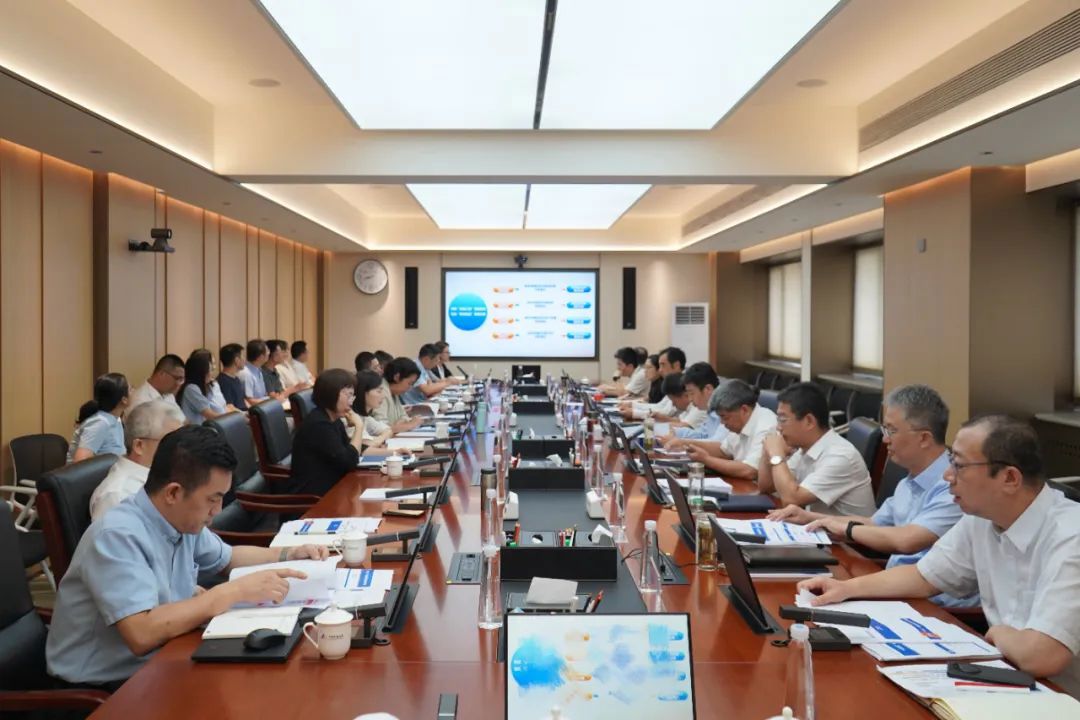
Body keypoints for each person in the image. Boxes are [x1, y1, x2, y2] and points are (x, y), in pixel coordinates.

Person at [799, 415, 1080, 695]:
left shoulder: (1071, 536)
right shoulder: (982, 519)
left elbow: (1042, 656)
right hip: (1006, 676)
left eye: (959, 465)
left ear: (1009, 478)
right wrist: (846, 588)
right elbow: (924, 576)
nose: (947, 476)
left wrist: (999, 633)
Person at [46, 425, 328, 689]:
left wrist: (289, 553)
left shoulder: (180, 519)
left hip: (163, 658)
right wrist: (232, 592)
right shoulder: (116, 535)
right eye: (212, 499)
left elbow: (228, 557)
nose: (218, 510)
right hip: (104, 689)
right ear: (173, 492)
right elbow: (141, 633)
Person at [770, 384, 973, 607]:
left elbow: (907, 540)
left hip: (931, 605)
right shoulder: (909, 481)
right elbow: (875, 524)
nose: (885, 439)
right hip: (895, 589)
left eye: (891, 431)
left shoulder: (953, 488)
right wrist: (812, 518)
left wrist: (846, 529)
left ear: (924, 438)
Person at [757, 382, 875, 517]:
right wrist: (767, 452)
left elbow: (791, 499)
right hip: (817, 526)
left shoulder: (840, 456)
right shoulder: (804, 448)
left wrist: (776, 455)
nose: (778, 427)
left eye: (783, 420)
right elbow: (766, 487)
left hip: (845, 531)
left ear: (809, 421)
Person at [90, 400, 185, 521]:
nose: (180, 450)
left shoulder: (162, 474)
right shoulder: (118, 495)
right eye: (170, 442)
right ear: (139, 446)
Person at [286, 369, 367, 496]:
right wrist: (359, 426)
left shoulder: (333, 419)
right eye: (349, 395)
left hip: (334, 489)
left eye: (353, 396)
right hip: (313, 499)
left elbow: (350, 452)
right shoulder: (319, 425)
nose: (351, 401)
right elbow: (349, 462)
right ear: (332, 394)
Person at [686, 379, 778, 482]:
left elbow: (750, 471)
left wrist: (706, 459)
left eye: (725, 417)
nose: (722, 423)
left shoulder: (766, 426)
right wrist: (686, 444)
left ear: (744, 410)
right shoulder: (739, 423)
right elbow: (723, 451)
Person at [660, 363, 728, 447]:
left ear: (708, 389)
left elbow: (717, 444)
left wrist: (682, 442)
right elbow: (702, 434)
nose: (690, 399)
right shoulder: (711, 408)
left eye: (692, 393)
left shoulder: (726, 407)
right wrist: (676, 432)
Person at [68, 373, 131, 463]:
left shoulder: (116, 419)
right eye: (131, 389)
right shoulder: (100, 423)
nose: (134, 391)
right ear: (124, 400)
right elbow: (80, 463)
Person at [620, 347, 685, 420]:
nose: (660, 370)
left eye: (663, 365)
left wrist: (634, 412)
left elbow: (666, 412)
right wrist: (632, 405)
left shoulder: (683, 385)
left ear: (676, 365)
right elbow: (659, 406)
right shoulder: (671, 384)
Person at [179, 349, 236, 425]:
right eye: (209, 370)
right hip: (197, 430)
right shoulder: (191, 388)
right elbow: (210, 415)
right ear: (200, 372)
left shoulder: (208, 386)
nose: (211, 373)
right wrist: (234, 419)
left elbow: (223, 407)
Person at [373, 357, 425, 434]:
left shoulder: (394, 391)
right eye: (409, 383)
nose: (410, 388)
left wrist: (401, 424)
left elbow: (403, 416)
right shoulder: (381, 392)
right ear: (397, 377)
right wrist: (410, 425)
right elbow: (381, 429)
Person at [351, 370, 394, 451]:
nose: (383, 396)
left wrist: (376, 441)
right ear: (363, 392)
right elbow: (366, 446)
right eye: (379, 391)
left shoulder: (364, 417)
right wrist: (378, 441)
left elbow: (388, 430)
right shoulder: (350, 418)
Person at [216, 343, 248, 411]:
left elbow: (242, 401)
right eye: (243, 356)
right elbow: (229, 407)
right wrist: (246, 415)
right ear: (236, 360)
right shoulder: (223, 382)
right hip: (238, 416)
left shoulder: (236, 378)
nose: (245, 360)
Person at [239, 339, 271, 406]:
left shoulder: (258, 369)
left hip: (263, 406)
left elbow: (263, 395)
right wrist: (273, 401)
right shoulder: (246, 373)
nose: (269, 353)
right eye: (267, 351)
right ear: (260, 357)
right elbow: (250, 401)